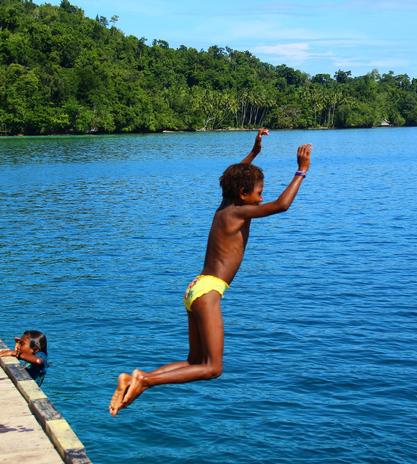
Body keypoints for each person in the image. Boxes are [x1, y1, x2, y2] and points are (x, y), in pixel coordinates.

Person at [109, 129, 312, 415]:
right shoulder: (240, 212)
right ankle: (145, 379)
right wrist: (301, 171)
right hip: (208, 292)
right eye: (258, 192)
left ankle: (137, 378)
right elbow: (282, 205)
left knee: (194, 361)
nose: (261, 196)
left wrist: (254, 153)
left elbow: (231, 178)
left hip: (195, 289)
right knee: (212, 368)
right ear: (243, 194)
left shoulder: (226, 206)